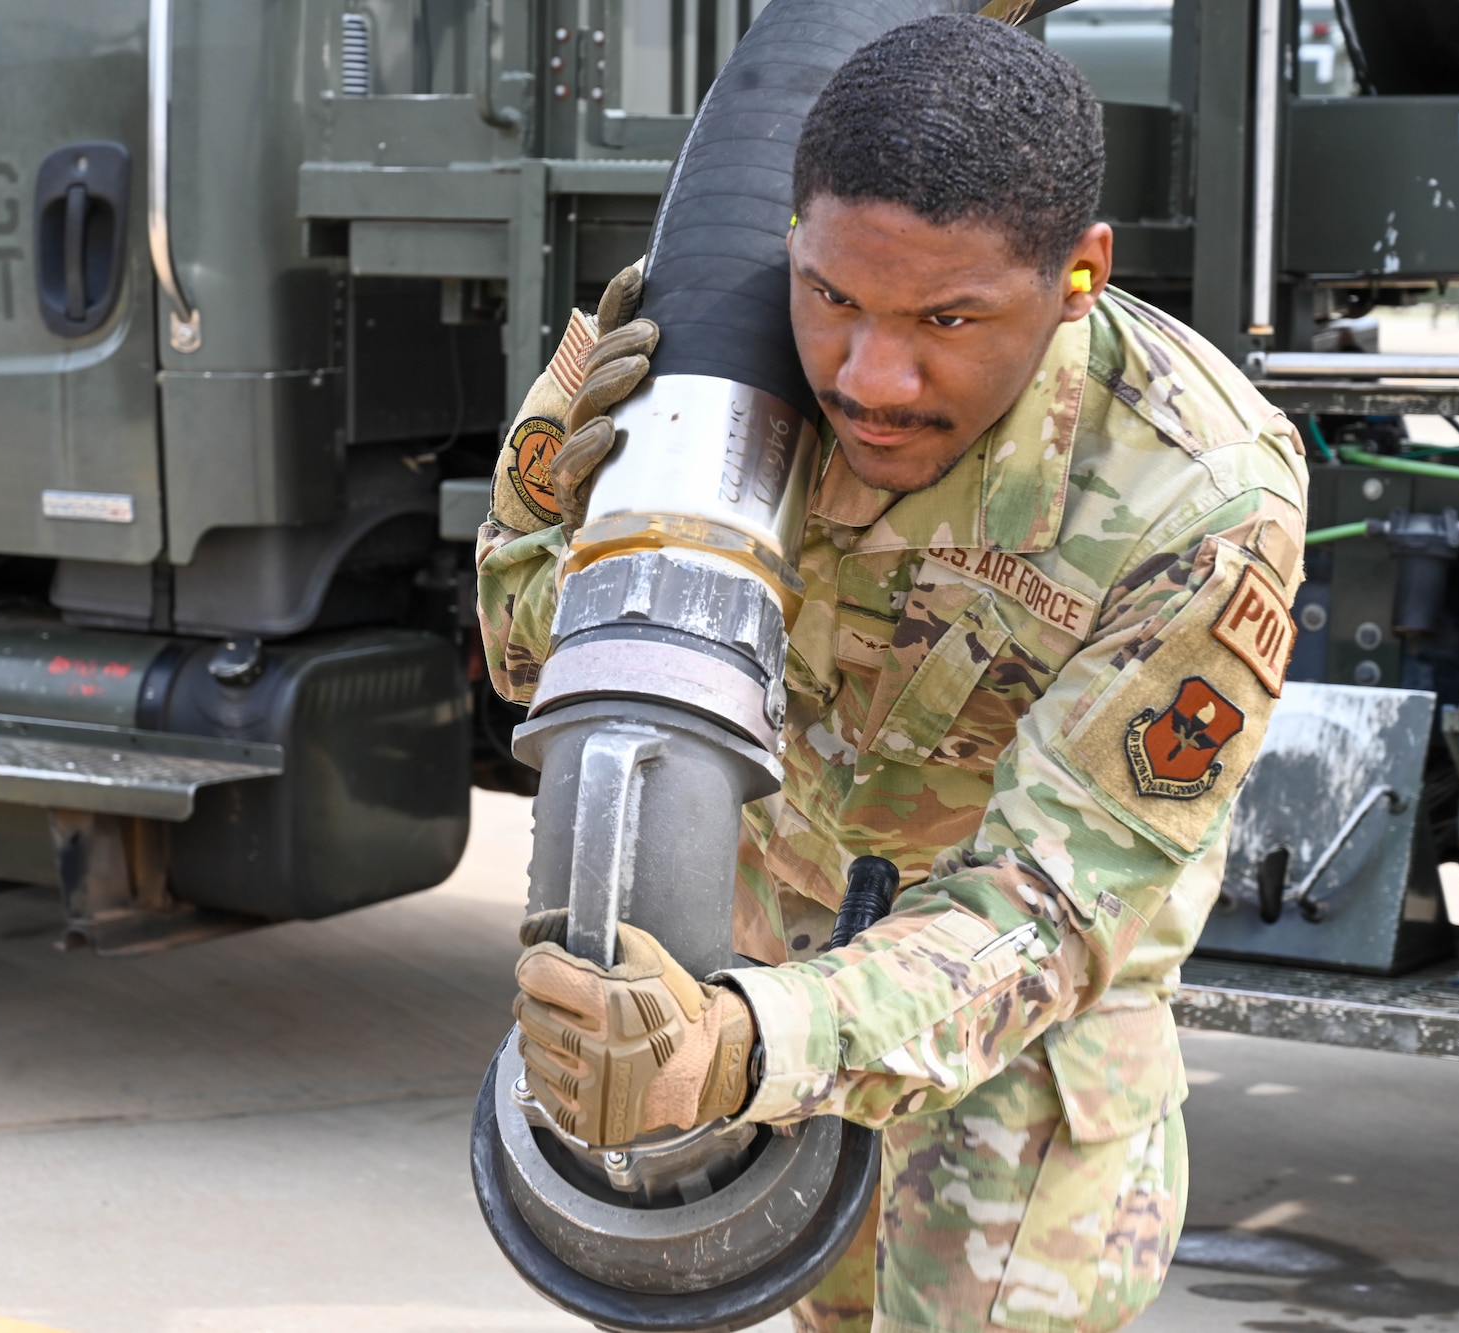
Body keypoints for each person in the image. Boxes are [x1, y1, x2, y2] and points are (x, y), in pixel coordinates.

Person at [477, 15, 1308, 1333]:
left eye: (948, 317)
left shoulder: (1191, 494)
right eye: (833, 297)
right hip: (764, 972)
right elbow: (534, 662)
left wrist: (744, 1044)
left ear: (1079, 274)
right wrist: (550, 495)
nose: (871, 376)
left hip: (1008, 1042)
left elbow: (1050, 906)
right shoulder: (715, 365)